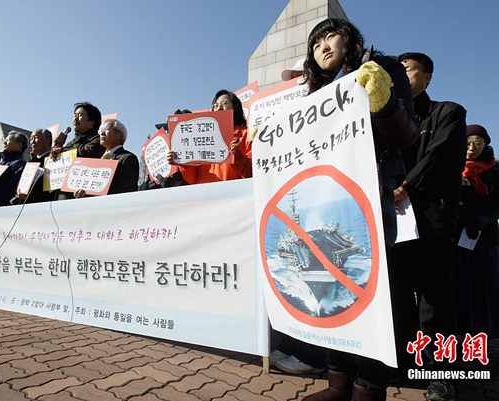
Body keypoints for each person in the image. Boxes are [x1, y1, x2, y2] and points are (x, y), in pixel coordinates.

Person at [275, 18, 418, 401]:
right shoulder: (311, 93)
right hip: (323, 194)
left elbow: (409, 135)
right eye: (315, 42)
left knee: (373, 292)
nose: (323, 46)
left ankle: (369, 388)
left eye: (330, 36)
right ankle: (337, 384)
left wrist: (385, 104)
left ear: (349, 39)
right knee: (333, 295)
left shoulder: (380, 69)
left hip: (372, 189)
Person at [392, 52, 467, 401]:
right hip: (395, 217)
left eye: (409, 70)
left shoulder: (448, 112)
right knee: (400, 293)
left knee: (435, 297)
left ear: (428, 76)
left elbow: (436, 156)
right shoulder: (390, 117)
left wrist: (405, 184)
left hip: (431, 216)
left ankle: (442, 373)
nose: (403, 77)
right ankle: (406, 362)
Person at [454, 124, 499, 339]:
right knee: (463, 285)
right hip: (461, 235)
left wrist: (486, 218)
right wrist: (469, 219)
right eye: (468, 143)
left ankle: (488, 332)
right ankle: (465, 330)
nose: (472, 148)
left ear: (486, 144)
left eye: (478, 143)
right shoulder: (453, 167)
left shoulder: (495, 170)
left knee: (488, 285)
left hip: (486, 237)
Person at [166, 90, 252, 184]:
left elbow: (252, 172)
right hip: (205, 195)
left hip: (236, 195)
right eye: (216, 105)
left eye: (225, 103)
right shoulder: (201, 136)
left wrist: (237, 156)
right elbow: (193, 179)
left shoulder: (245, 135)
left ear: (236, 107)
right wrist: (183, 162)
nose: (219, 107)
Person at [74, 119, 139, 197]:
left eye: (107, 129)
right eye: (100, 131)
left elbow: (126, 193)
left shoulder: (127, 158)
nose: (102, 133)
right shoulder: (97, 161)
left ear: (119, 135)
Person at [13, 128, 57, 204]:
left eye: (36, 138)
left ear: (47, 141)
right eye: (31, 139)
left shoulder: (55, 160)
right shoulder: (31, 162)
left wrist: (28, 197)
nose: (32, 142)